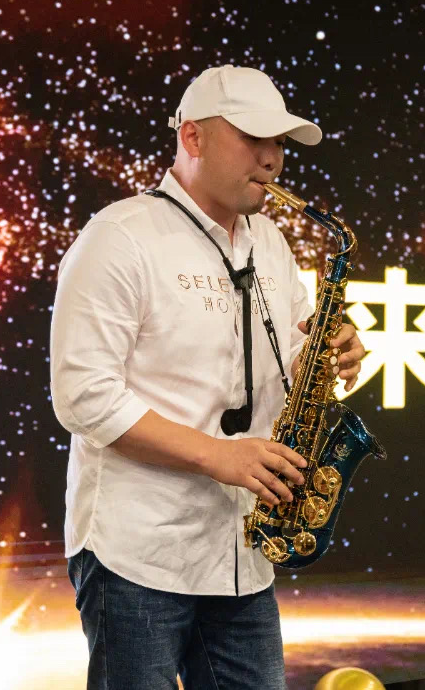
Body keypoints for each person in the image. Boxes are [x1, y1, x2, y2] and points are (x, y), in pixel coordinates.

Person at [49, 64, 366, 690]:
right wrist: (219, 456)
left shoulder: (270, 242)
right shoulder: (119, 236)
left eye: (280, 143)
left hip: (243, 553)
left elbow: (291, 347)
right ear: (192, 136)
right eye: (254, 138)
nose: (273, 159)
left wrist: (326, 353)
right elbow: (83, 397)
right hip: (137, 553)